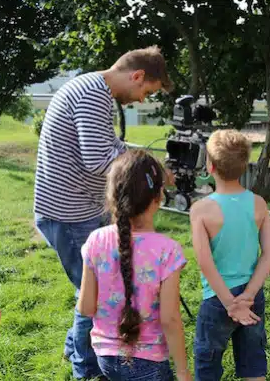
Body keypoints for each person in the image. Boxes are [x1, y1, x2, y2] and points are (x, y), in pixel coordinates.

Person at [33, 46, 174, 379]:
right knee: (93, 296)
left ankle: (76, 349)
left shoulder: (93, 89)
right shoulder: (94, 94)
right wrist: (151, 167)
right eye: (145, 91)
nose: (141, 99)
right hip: (68, 215)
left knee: (92, 286)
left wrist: (143, 160)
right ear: (137, 75)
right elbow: (99, 160)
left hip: (79, 209)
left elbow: (108, 149)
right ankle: (87, 369)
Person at [77, 149, 191, 380]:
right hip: (150, 363)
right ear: (159, 196)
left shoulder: (96, 241)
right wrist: (183, 371)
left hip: (106, 358)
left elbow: (86, 308)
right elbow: (170, 319)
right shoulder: (167, 250)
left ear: (113, 195)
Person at [189, 129, 270, 381]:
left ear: (211, 166)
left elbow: (205, 263)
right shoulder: (259, 203)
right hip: (252, 298)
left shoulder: (201, 210)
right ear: (244, 165)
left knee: (208, 365)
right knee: (253, 364)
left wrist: (231, 303)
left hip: (218, 300)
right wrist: (247, 296)